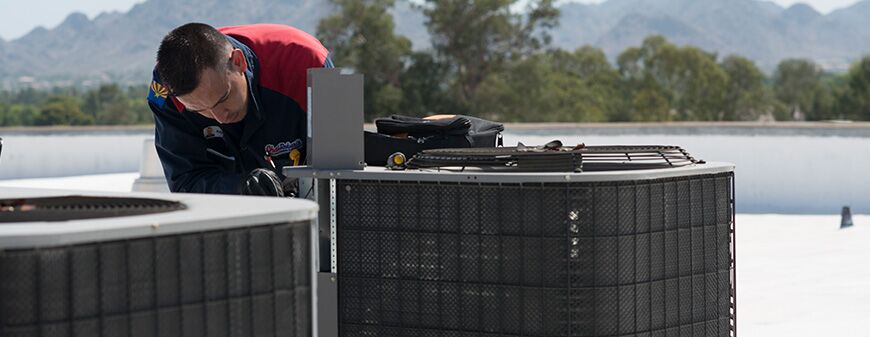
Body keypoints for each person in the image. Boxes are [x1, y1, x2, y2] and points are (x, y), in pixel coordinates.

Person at [147, 23, 333, 195]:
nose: (220, 118)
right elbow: (186, 180)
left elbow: (338, 168)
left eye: (223, 98)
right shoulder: (165, 91)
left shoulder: (307, 63)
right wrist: (239, 186)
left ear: (238, 61)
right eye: (199, 110)